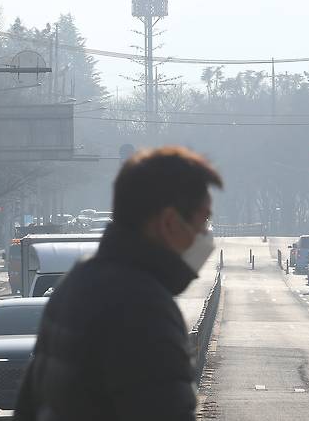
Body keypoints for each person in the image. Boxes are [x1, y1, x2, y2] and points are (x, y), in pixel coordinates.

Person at [14, 146, 223, 421]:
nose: (205, 234)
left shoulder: (76, 282)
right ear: (170, 222)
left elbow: (29, 404)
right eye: (203, 220)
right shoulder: (144, 309)